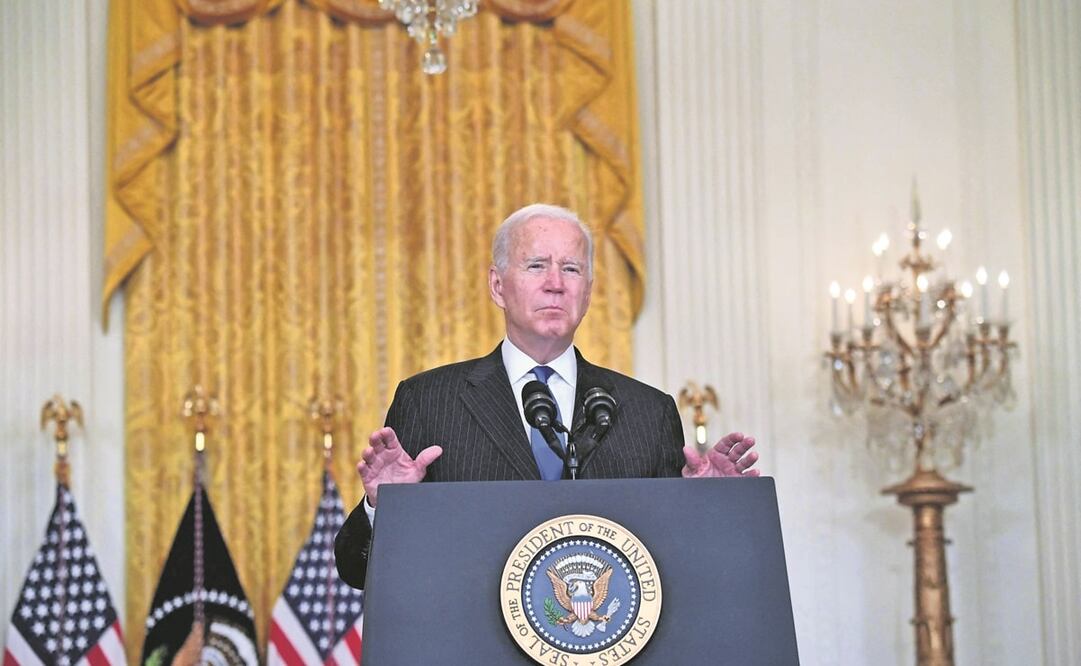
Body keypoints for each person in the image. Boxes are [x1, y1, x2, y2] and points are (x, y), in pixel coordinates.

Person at [334, 203, 759, 589]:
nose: (555, 283)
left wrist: (709, 508)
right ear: (498, 286)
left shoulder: (648, 412)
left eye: (571, 269)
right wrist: (382, 507)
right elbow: (356, 570)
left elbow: (681, 569)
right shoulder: (429, 401)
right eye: (536, 265)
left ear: (588, 292)